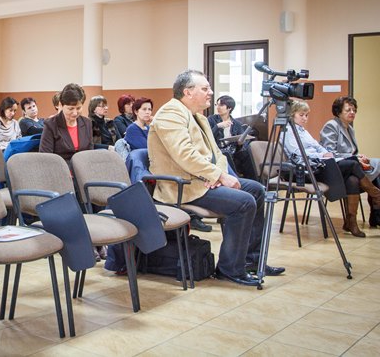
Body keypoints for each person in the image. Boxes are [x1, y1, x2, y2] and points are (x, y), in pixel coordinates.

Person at [149, 69, 284, 286]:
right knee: (244, 202)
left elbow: (217, 154)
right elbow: (184, 154)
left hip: (203, 180)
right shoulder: (170, 114)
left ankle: (251, 260)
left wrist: (219, 176)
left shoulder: (199, 117)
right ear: (187, 92)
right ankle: (230, 269)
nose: (210, 93)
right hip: (183, 186)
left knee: (257, 190)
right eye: (205, 88)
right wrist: (217, 175)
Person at [283, 100, 380, 236]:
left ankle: (351, 222)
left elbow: (318, 146)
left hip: (321, 163)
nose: (305, 118)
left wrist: (326, 154)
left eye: (306, 115)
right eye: (301, 115)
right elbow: (298, 153)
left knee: (352, 180)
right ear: (292, 115)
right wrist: (321, 155)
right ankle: (376, 194)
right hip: (309, 169)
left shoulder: (303, 131)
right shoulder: (287, 131)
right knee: (353, 164)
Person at [320, 97, 380, 221]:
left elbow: (352, 152)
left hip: (350, 165)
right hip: (336, 168)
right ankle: (376, 202)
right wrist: (355, 158)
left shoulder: (349, 128)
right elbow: (329, 153)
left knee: (377, 165)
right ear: (338, 112)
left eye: (354, 110)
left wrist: (360, 157)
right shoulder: (331, 125)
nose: (352, 112)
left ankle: (376, 211)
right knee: (354, 179)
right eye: (348, 110)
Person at [207, 95, 258, 180]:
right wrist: (217, 126)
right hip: (217, 150)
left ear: (229, 108)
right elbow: (207, 136)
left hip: (233, 150)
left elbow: (241, 141)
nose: (218, 107)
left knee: (246, 152)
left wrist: (240, 143)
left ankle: (254, 181)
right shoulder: (211, 119)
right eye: (217, 104)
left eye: (221, 105)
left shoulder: (236, 124)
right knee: (226, 154)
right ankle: (235, 179)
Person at [40, 83, 93, 162]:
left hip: (83, 167)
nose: (75, 113)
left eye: (78, 108)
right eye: (70, 109)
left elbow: (90, 153)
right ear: (61, 105)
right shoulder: (51, 125)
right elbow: (45, 157)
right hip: (60, 167)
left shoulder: (87, 123)